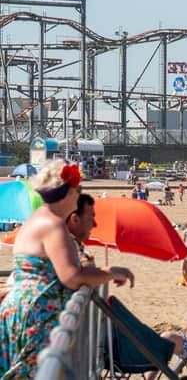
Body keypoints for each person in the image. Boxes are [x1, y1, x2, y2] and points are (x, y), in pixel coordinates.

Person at [0, 160, 134, 378]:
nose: (78, 196)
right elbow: (71, 276)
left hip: (23, 307)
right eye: (77, 190)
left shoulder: (37, 219)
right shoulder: (53, 224)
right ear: (67, 193)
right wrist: (111, 272)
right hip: (37, 313)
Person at [66, 193, 97, 267]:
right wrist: (110, 273)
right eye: (90, 219)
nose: (95, 224)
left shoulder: (73, 242)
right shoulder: (65, 243)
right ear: (75, 219)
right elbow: (80, 273)